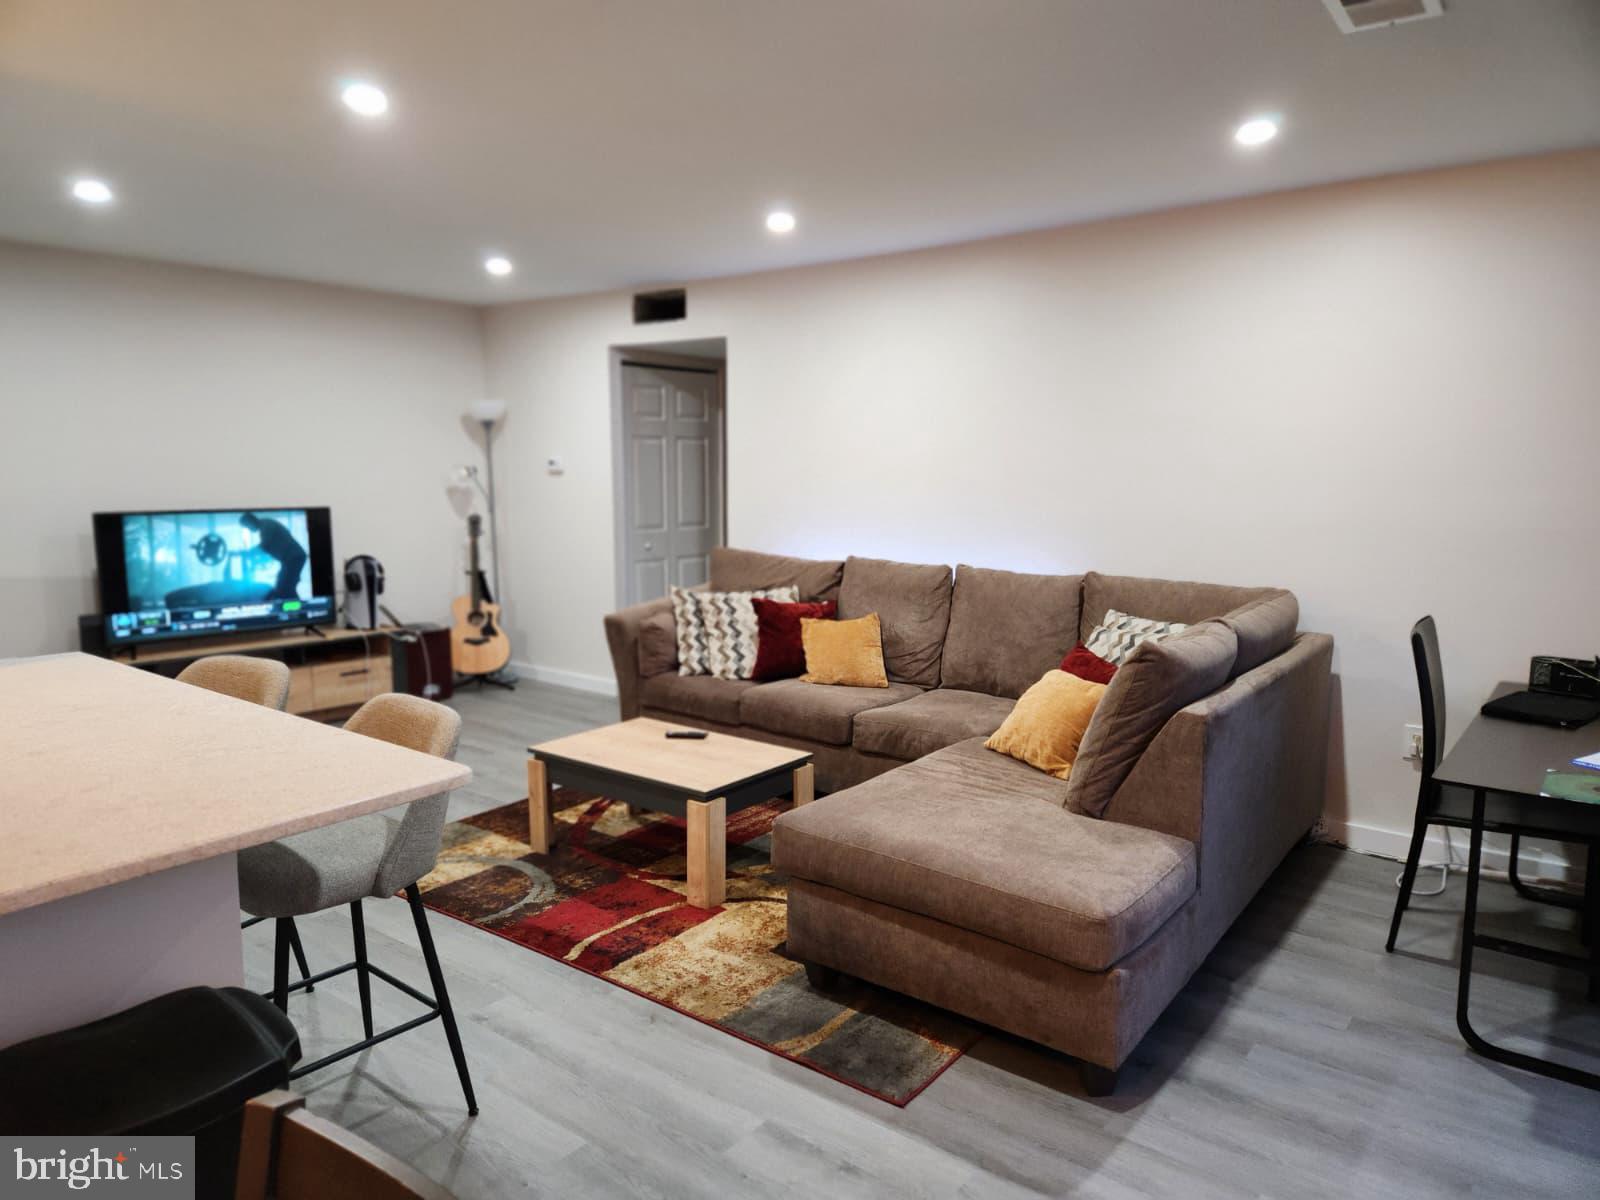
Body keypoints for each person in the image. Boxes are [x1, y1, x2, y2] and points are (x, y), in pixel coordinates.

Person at [239, 512, 307, 600]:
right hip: (291, 559)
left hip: (294, 558)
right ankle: (298, 610)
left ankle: (299, 611)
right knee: (286, 587)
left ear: (250, 521)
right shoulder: (265, 526)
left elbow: (264, 545)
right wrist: (255, 559)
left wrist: (248, 553)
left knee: (284, 587)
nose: (249, 529)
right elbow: (268, 549)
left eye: (247, 526)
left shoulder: (267, 525)